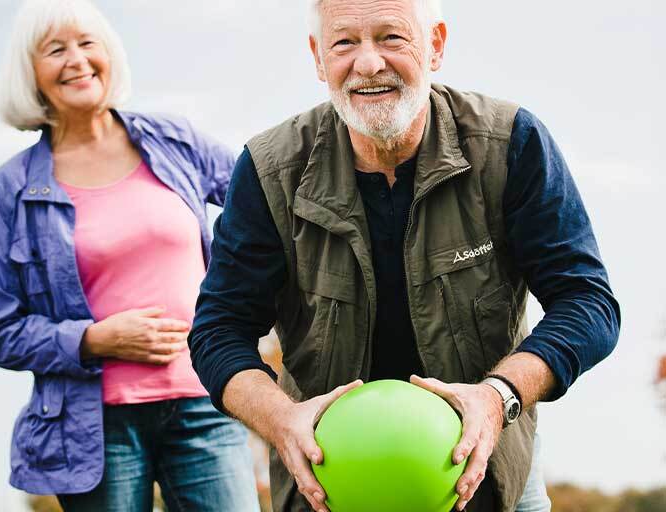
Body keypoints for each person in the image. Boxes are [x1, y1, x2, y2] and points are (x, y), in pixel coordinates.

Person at [188, 0, 620, 511]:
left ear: (435, 44)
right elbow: (219, 328)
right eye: (344, 42)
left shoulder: (512, 144)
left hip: (490, 475)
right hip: (327, 486)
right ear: (318, 57)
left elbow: (588, 303)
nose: (368, 64)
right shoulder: (268, 169)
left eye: (391, 37)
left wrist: (495, 397)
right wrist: (281, 420)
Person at [0, 0, 259, 510]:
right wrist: (94, 339)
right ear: (30, 74)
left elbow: (262, 202)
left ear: (110, 55)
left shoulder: (176, 142)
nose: (76, 59)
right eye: (55, 50)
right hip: (95, 428)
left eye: (87, 43)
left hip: (204, 400)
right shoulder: (11, 189)